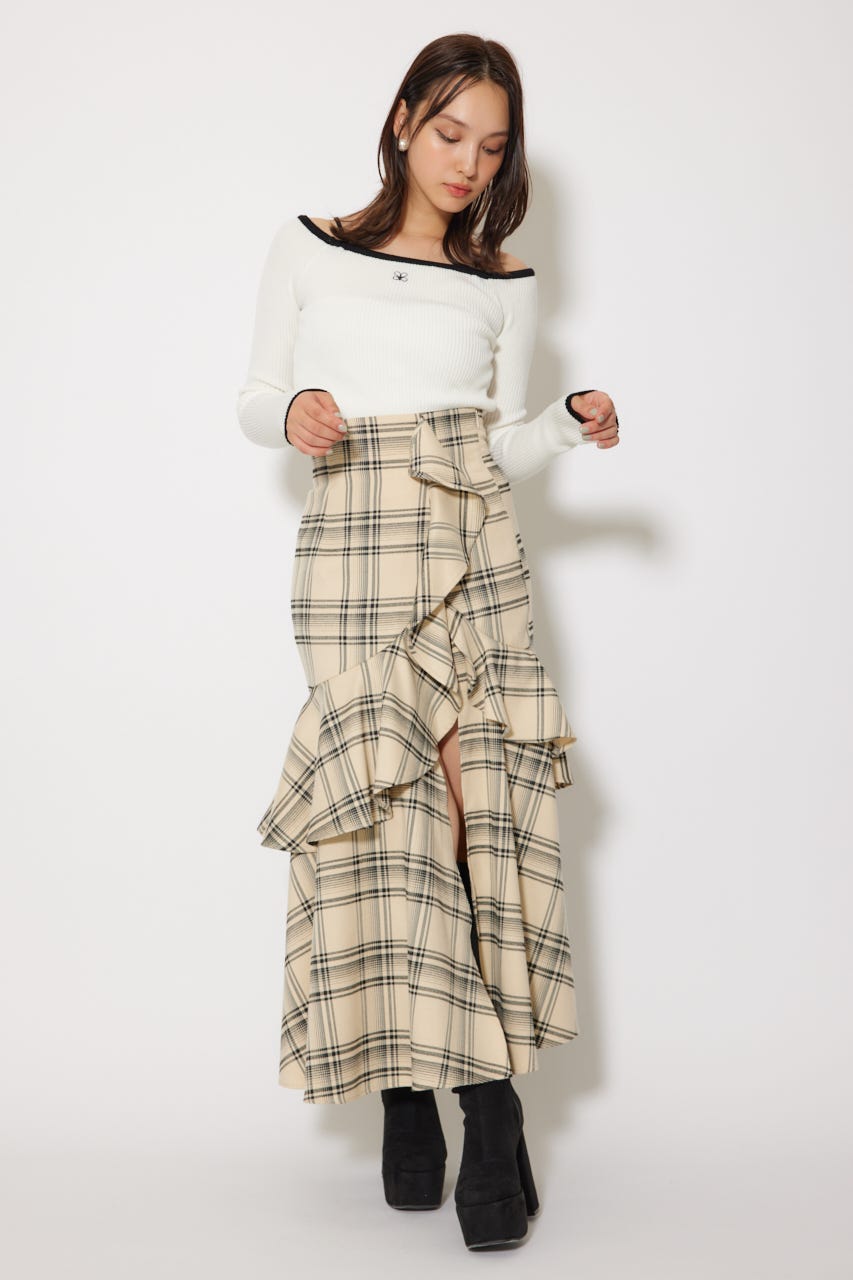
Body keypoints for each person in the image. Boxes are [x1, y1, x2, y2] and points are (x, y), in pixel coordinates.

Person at [236, 32, 620, 1251]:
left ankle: (484, 1110)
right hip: (352, 545)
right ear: (402, 119)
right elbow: (254, 395)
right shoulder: (308, 245)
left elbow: (501, 440)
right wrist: (291, 411)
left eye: (492, 146)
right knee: (385, 814)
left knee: (476, 806)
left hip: (473, 543)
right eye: (450, 132)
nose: (468, 163)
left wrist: (564, 423)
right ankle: (411, 1086)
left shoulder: (503, 278)